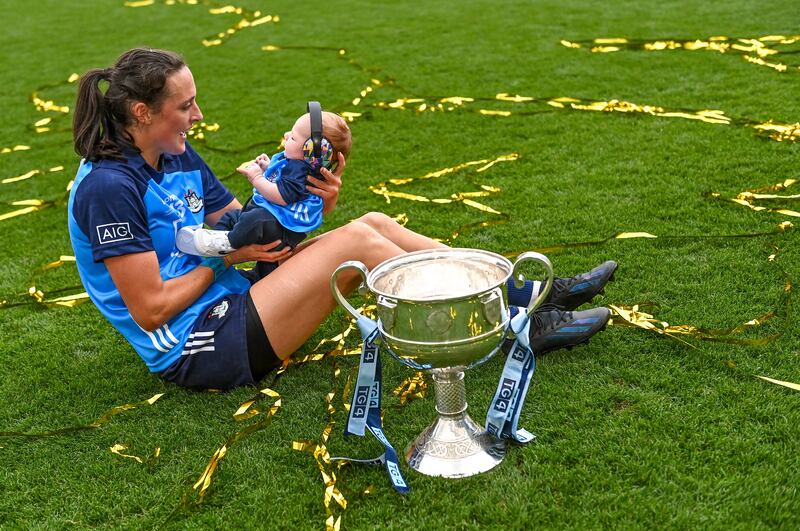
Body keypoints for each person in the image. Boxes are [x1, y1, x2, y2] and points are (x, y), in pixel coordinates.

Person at [68, 47, 616, 391]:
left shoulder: (176, 154)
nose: (198, 116)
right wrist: (227, 258)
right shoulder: (108, 189)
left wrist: (309, 208)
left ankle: (523, 289)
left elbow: (249, 227)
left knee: (372, 222)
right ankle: (517, 325)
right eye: (185, 106)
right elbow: (150, 309)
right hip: (201, 347)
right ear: (142, 113)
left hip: (238, 299)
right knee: (357, 242)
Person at [175, 105, 351, 279]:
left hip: (278, 228)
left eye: (293, 137)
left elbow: (282, 197)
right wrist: (268, 168)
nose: (286, 135)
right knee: (235, 218)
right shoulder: (295, 163)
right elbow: (282, 179)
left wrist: (257, 178)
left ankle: (228, 242)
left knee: (254, 220)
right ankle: (215, 239)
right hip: (271, 222)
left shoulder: (300, 170)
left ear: (311, 152)